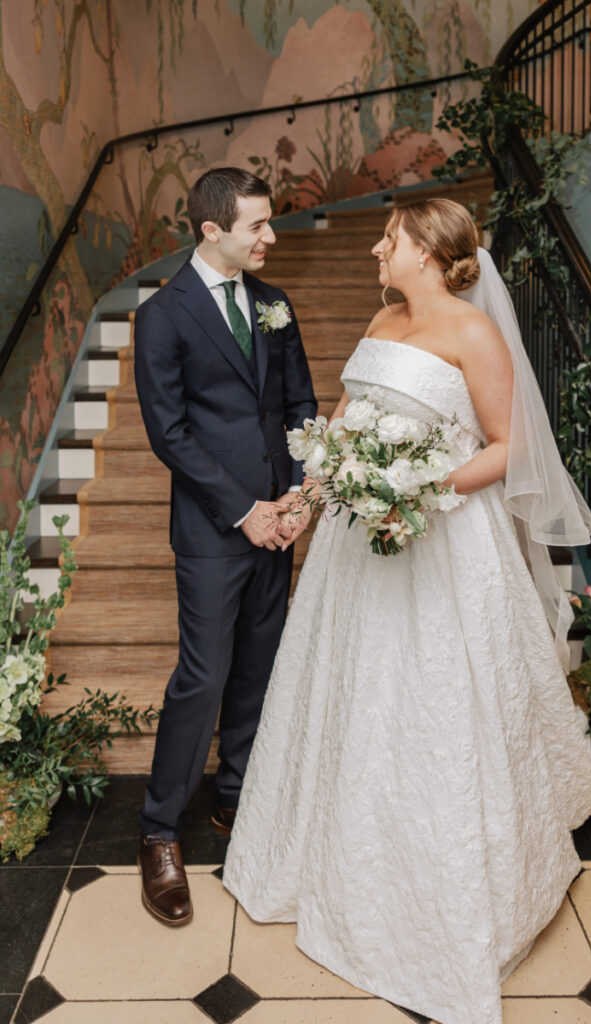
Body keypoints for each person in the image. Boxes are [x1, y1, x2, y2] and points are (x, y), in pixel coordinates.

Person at [222, 198, 591, 1024]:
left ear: (427, 251)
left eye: (386, 239)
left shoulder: (473, 333)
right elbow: (350, 429)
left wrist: (416, 488)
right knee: (353, 702)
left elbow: (505, 449)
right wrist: (310, 495)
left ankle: (451, 890)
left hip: (443, 548)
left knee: (436, 712)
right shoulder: (381, 316)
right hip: (356, 556)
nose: (374, 248)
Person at [133, 167, 317, 926]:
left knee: (259, 666)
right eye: (257, 226)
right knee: (202, 677)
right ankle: (157, 830)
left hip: (280, 519)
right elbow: (168, 433)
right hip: (215, 528)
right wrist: (243, 510)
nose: (270, 237)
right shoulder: (164, 315)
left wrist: (301, 495)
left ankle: (237, 796)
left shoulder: (274, 303)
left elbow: (300, 403)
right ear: (212, 231)